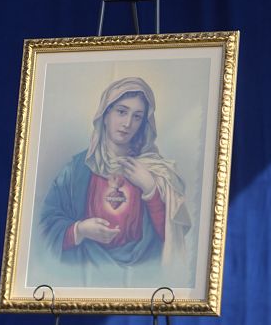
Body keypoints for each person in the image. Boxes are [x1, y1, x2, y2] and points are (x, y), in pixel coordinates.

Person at [39, 77, 191, 274]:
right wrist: (80, 230)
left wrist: (151, 189)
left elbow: (171, 239)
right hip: (83, 271)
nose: (127, 123)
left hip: (142, 274)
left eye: (137, 117)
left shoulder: (156, 171)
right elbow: (43, 227)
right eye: (121, 112)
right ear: (105, 113)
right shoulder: (76, 169)